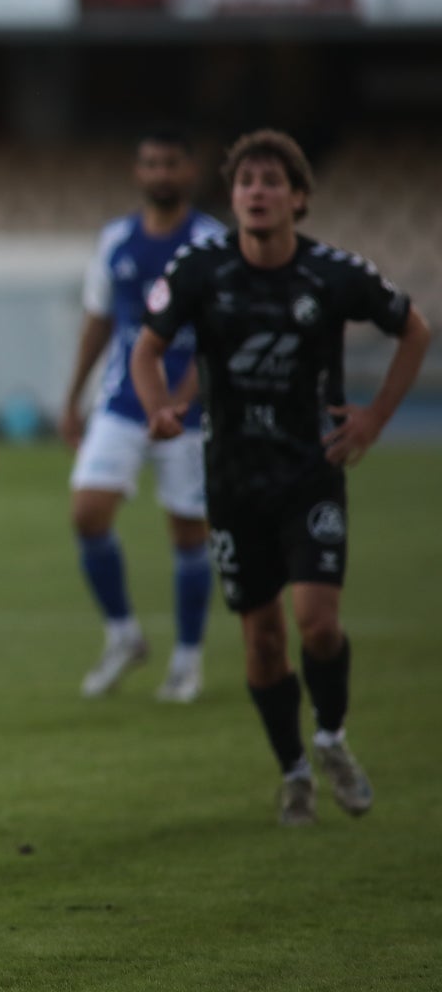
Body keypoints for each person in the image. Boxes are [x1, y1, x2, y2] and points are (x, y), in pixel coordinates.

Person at [133, 130, 430, 825]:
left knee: (317, 624)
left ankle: (331, 737)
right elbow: (146, 350)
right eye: (246, 183)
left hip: (310, 474)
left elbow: (413, 328)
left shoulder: (333, 274)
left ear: (298, 198)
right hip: (233, 482)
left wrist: (375, 419)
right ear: (233, 197)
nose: (257, 193)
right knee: (263, 640)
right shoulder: (200, 270)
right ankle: (293, 769)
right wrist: (158, 412)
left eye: (272, 182)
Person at [60, 135, 223, 702]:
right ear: (137, 169)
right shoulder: (116, 240)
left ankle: (186, 659)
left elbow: (221, 335)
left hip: (191, 413)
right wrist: (72, 398)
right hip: (123, 403)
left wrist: (181, 398)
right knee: (87, 512)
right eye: (151, 163)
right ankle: (124, 634)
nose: (160, 172)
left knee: (187, 533)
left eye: (171, 163)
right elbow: (99, 321)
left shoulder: (209, 242)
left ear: (191, 170)